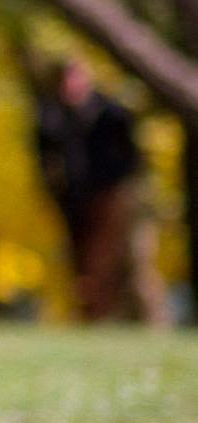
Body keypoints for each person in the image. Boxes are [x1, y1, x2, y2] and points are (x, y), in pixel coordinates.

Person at [34, 59, 164, 323]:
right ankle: (96, 317)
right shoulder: (52, 119)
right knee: (85, 263)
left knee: (129, 263)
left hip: (112, 194)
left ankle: (151, 320)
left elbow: (131, 156)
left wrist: (116, 182)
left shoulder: (111, 114)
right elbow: (45, 161)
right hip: (75, 200)